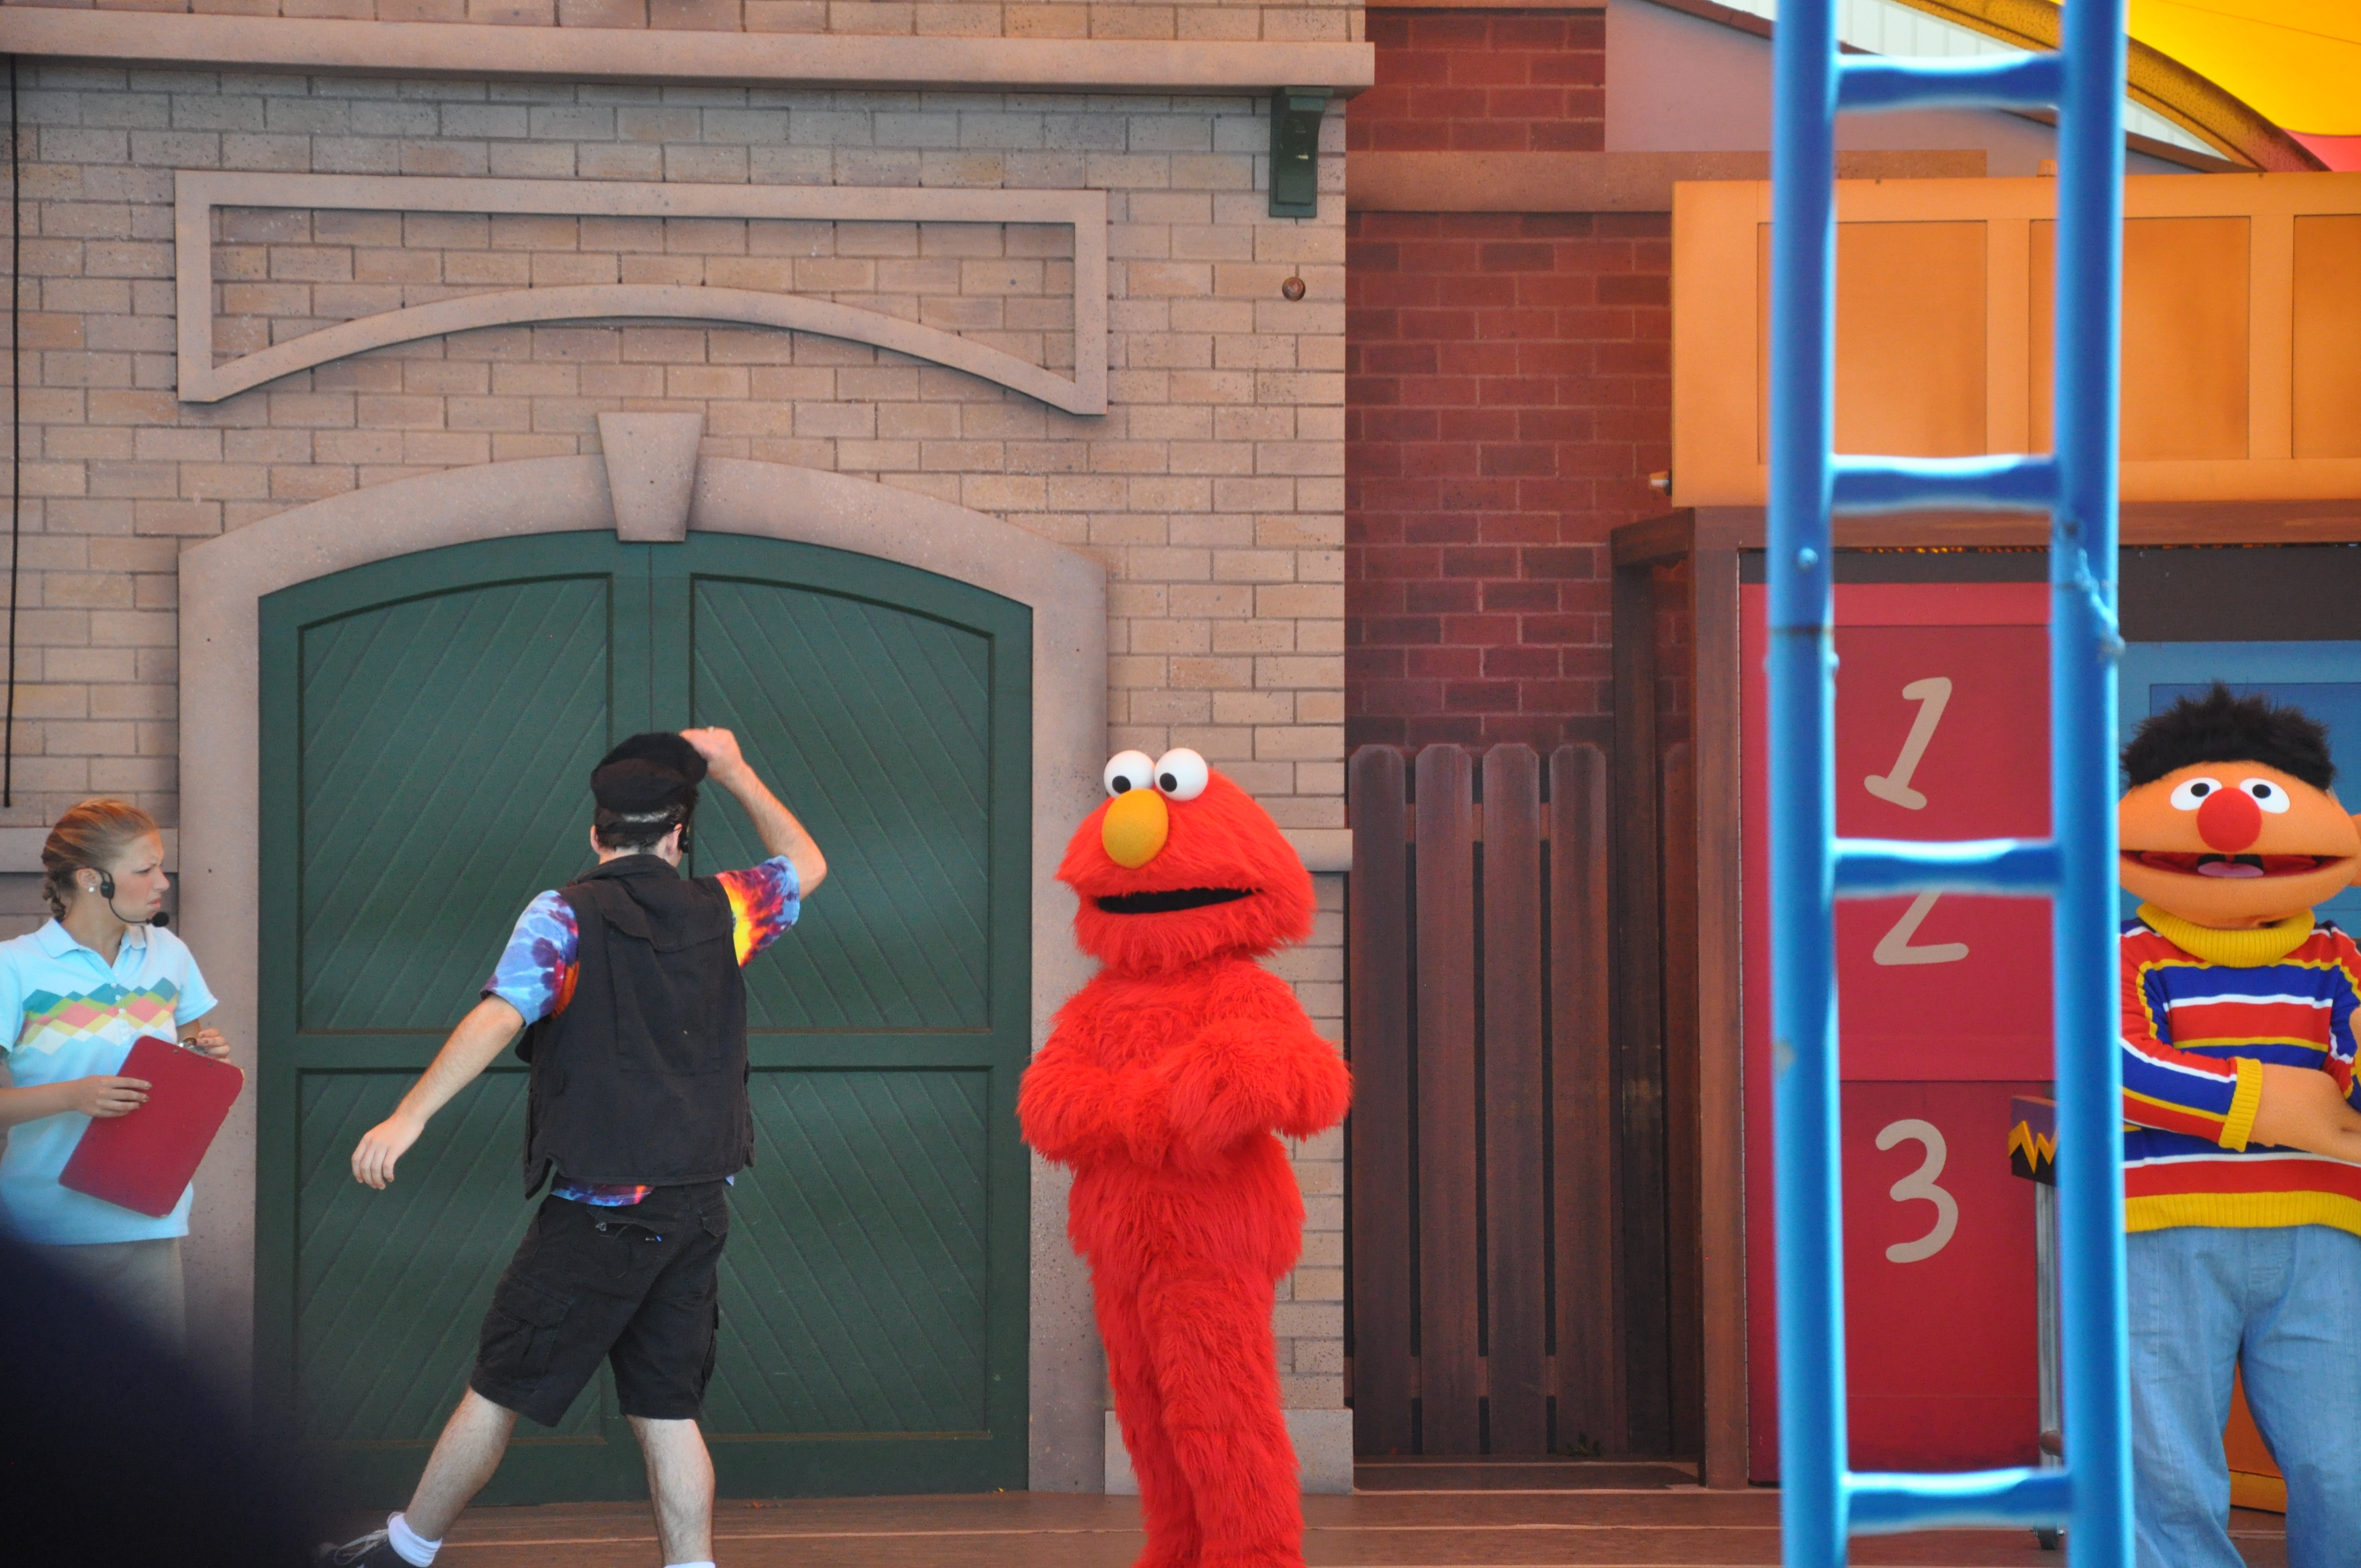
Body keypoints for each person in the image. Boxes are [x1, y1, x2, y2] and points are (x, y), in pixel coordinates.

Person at [315, 728, 826, 1568]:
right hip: (696, 1206)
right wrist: (735, 769)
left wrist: (409, 1116)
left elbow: (500, 1014)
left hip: (602, 1214)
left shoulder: (564, 915)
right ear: (678, 836)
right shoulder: (726, 909)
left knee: (498, 1388)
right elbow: (805, 862)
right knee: (667, 1410)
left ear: (597, 834)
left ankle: (404, 1552)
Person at [2113, 685, 2361, 1568]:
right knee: (2169, 1472)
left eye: (2263, 800)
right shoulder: (2129, 953)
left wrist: (2332, 1096)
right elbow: (2121, 1066)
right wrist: (2272, 1102)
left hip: (2323, 1234)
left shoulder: (2337, 956)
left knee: (2343, 1465)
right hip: (2164, 1236)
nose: (2231, 828)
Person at [0, 798, 230, 1349]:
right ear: (91, 879)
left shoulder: (169, 954)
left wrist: (205, 1055)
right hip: (42, 1234)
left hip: (150, 1221)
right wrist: (74, 1096)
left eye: (161, 867)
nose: (163, 883)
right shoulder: (14, 967)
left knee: (145, 1403)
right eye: (145, 869)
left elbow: (189, 1059)